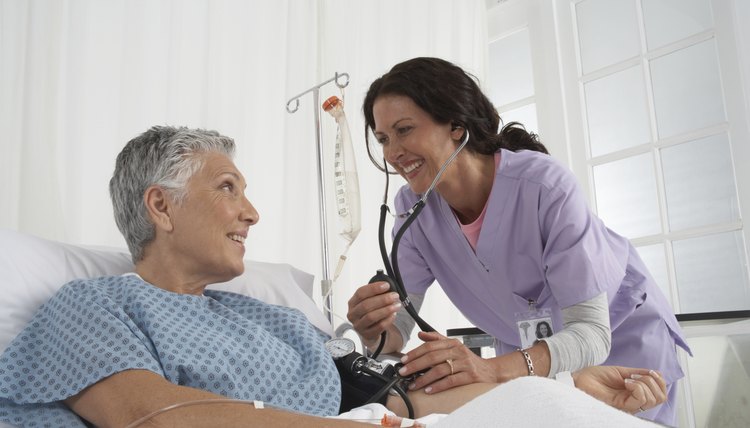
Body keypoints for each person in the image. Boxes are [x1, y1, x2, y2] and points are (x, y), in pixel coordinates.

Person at [0, 126, 667, 427]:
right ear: (160, 205)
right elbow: (151, 418)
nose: (252, 212)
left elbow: (394, 398)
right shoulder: (93, 305)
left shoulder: (268, 317)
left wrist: (568, 388)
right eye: (229, 188)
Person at [347, 57, 690, 427]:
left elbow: (591, 333)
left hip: (619, 338)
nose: (391, 152)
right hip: (525, 355)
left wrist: (491, 370)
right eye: (383, 138)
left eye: (404, 130)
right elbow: (396, 330)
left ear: (456, 126)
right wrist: (375, 329)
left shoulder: (544, 186)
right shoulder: (411, 210)